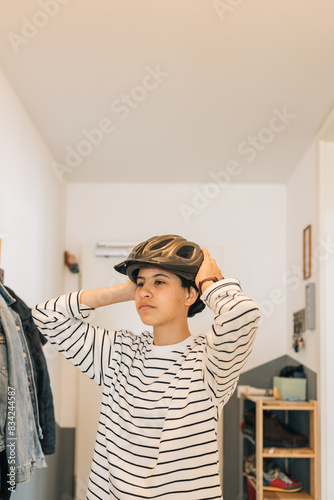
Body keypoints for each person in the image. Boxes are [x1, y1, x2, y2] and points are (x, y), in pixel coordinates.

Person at [32, 235, 260, 499]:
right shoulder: (119, 353)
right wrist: (124, 291)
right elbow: (45, 317)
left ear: (190, 294)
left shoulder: (210, 361)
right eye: (140, 283)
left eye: (160, 281)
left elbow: (243, 315)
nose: (145, 291)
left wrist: (209, 283)